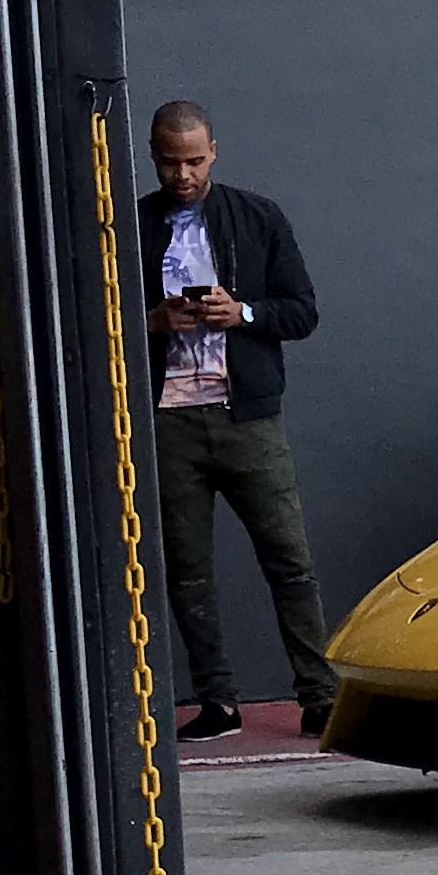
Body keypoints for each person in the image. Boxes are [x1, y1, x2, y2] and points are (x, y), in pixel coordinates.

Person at [138, 98, 338, 741]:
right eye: (170, 163)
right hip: (168, 419)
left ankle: (320, 696)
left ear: (214, 153)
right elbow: (93, 323)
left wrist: (243, 313)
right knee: (186, 571)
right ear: (153, 157)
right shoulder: (131, 227)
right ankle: (217, 703)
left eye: (195, 161)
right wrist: (152, 320)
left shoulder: (258, 216)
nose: (183, 175)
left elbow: (303, 311)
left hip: (247, 416)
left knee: (290, 560)